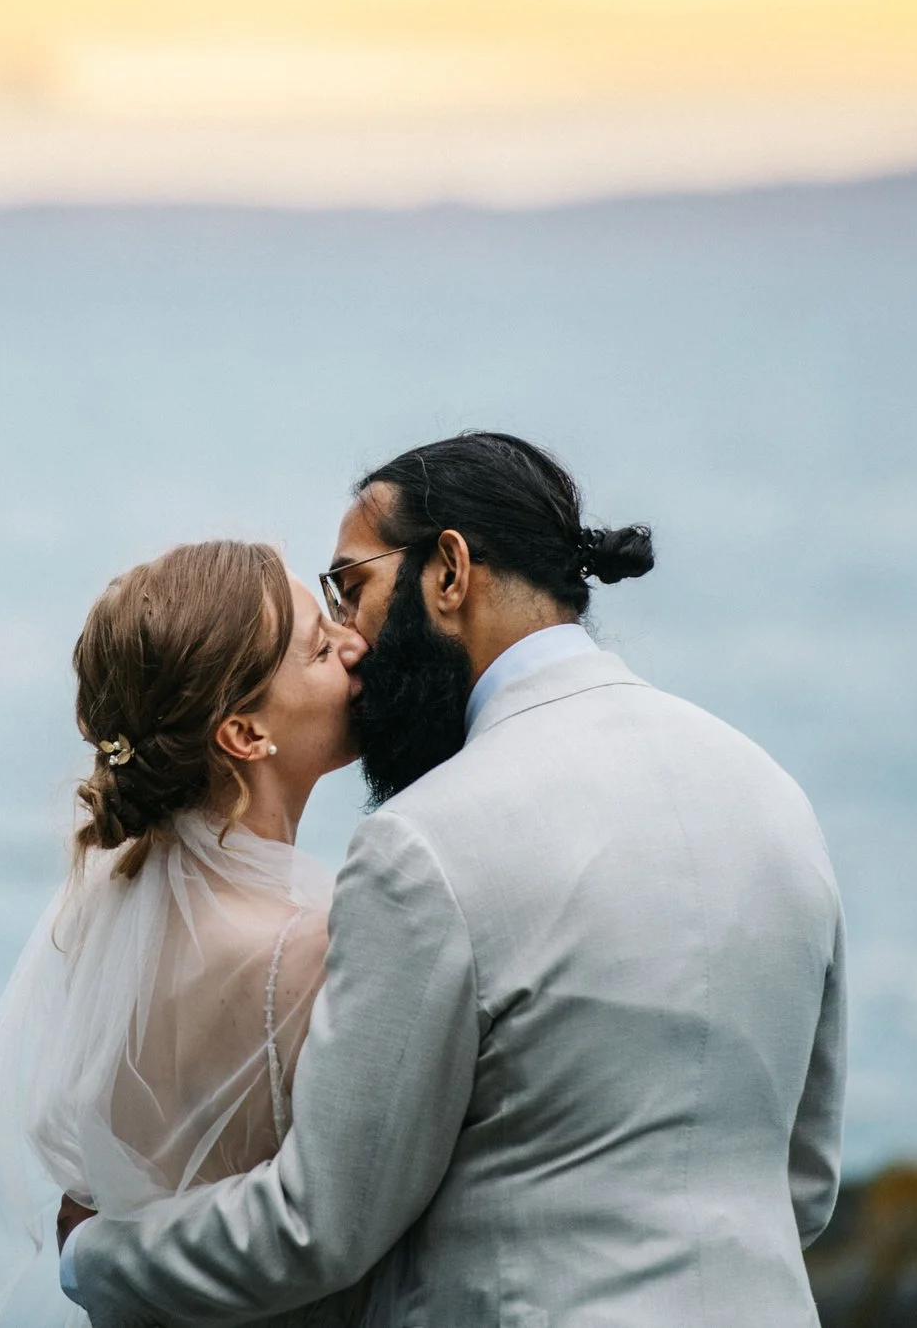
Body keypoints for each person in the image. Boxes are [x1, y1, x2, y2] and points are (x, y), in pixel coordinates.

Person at [59, 431, 848, 1328]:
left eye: (350, 588)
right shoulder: (775, 797)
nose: (349, 637)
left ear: (448, 572)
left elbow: (322, 1225)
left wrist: (96, 1255)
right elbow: (806, 1182)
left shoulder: (425, 843)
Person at [0, 539, 372, 1328]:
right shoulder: (309, 945)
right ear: (243, 733)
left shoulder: (116, 903)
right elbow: (343, 1216)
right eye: (321, 647)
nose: (356, 642)